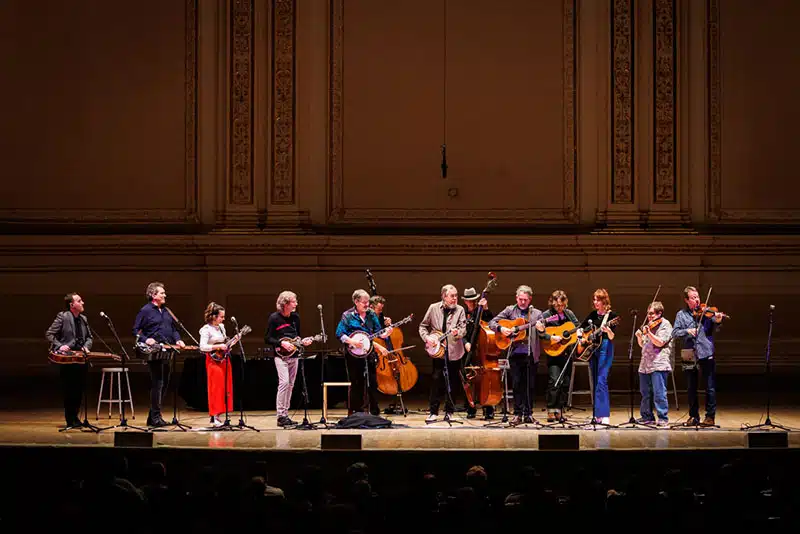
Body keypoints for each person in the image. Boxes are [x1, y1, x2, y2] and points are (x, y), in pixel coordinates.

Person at [132, 281, 185, 427]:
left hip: (167, 350)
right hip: (154, 352)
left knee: (165, 383)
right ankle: (155, 418)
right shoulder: (145, 311)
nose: (165, 295)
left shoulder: (167, 311)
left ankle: (153, 416)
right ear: (153, 295)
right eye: (162, 293)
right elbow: (136, 330)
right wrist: (146, 339)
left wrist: (178, 340)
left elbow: (173, 329)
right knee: (158, 383)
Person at [489, 285, 543, 425]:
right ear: (516, 298)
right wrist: (502, 328)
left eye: (525, 299)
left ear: (530, 299)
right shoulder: (510, 310)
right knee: (517, 384)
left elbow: (543, 333)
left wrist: (541, 329)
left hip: (531, 354)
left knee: (529, 385)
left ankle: (529, 413)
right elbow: (492, 323)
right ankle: (517, 414)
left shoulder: (537, 314)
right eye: (520, 299)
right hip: (514, 353)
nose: (523, 302)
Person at [672, 286, 725, 426]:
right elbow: (675, 332)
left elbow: (716, 325)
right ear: (686, 300)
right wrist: (688, 331)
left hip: (706, 351)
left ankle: (710, 417)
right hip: (688, 352)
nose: (697, 299)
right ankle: (693, 416)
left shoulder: (707, 313)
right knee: (691, 386)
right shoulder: (681, 315)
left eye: (697, 297)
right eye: (693, 297)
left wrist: (718, 320)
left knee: (710, 386)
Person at [336, 289, 392, 416]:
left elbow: (378, 332)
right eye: (364, 302)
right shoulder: (347, 315)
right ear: (356, 302)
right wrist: (352, 342)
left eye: (368, 302)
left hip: (369, 352)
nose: (367, 305)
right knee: (356, 382)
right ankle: (356, 411)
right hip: (353, 354)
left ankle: (373, 411)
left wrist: (386, 333)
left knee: (372, 381)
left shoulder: (371, 314)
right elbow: (339, 333)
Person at [265, 291, 314, 427]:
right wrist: (281, 343)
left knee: (291, 385)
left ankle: (285, 414)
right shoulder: (274, 318)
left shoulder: (295, 318)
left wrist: (303, 342)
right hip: (280, 356)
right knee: (284, 383)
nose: (296, 304)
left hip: (294, 355)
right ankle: (280, 415)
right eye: (293, 302)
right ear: (285, 304)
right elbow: (268, 338)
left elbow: (297, 337)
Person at [420, 284, 467, 423]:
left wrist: (458, 333)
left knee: (453, 382)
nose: (455, 299)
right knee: (436, 380)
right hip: (438, 351)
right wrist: (427, 338)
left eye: (456, 296)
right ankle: (433, 412)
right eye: (452, 296)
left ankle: (449, 411)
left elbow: (463, 329)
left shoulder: (460, 310)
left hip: (454, 351)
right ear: (444, 297)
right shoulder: (433, 308)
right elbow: (423, 326)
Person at [45, 293, 92, 428]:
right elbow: (49, 334)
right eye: (79, 301)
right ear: (72, 305)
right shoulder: (63, 316)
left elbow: (89, 337)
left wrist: (86, 346)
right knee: (69, 389)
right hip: (67, 359)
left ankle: (76, 418)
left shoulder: (83, 319)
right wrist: (60, 346)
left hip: (81, 358)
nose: (83, 303)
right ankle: (70, 419)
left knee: (79, 389)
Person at [537, 289, 580, 422]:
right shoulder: (546, 315)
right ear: (552, 303)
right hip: (553, 352)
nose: (559, 308)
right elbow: (540, 332)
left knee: (565, 383)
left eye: (562, 305)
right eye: (557, 306)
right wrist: (551, 337)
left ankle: (560, 410)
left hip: (566, 353)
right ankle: (551, 410)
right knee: (554, 381)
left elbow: (577, 326)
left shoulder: (569, 314)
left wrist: (578, 332)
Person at [580, 289, 618, 425]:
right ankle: (597, 415)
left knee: (602, 380)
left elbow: (612, 337)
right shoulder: (592, 315)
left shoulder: (612, 316)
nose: (595, 302)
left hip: (606, 347)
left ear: (604, 301)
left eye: (598, 299)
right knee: (595, 381)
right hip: (593, 349)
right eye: (594, 299)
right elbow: (582, 328)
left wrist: (608, 330)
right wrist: (582, 337)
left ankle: (604, 414)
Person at [636, 301, 673, 427]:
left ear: (659, 313)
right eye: (648, 313)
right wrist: (639, 337)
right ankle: (647, 416)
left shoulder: (665, 325)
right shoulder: (649, 325)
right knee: (645, 393)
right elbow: (643, 344)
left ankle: (663, 418)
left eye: (651, 313)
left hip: (659, 364)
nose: (649, 316)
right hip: (645, 364)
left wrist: (649, 333)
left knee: (659, 393)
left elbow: (660, 342)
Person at [462, 287, 495, 419]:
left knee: (484, 380)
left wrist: (486, 308)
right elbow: (459, 329)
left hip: (481, 350)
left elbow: (491, 322)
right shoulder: (462, 313)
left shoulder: (481, 311)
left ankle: (488, 408)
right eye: (470, 301)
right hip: (467, 349)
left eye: (474, 300)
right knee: (468, 379)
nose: (473, 303)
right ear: (465, 301)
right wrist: (465, 342)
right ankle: (470, 408)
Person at [198, 302, 233, 427]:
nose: (223, 319)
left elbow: (225, 342)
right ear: (213, 317)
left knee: (225, 387)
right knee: (216, 388)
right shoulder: (206, 330)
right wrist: (218, 346)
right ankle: (214, 416)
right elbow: (202, 346)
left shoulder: (222, 327)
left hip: (224, 359)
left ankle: (221, 414)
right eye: (221, 316)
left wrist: (232, 342)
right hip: (213, 361)